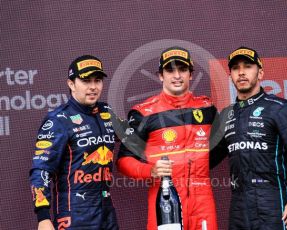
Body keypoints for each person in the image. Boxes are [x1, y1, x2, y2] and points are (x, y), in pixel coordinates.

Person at [210, 47, 287, 230]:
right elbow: (204, 160)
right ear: (230, 76)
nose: (241, 72)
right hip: (238, 207)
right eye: (235, 68)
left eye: (248, 66)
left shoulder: (278, 108)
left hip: (272, 203)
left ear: (260, 73)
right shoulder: (226, 116)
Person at [117, 46, 218, 230]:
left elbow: (219, 149)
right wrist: (151, 171)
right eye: (170, 70)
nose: (177, 75)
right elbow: (123, 161)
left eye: (182, 69)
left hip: (203, 201)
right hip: (164, 199)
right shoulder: (144, 113)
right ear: (161, 75)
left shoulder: (207, 108)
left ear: (191, 74)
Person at [29, 55, 121, 230]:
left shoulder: (106, 112)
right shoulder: (58, 120)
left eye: (98, 80)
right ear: (71, 84)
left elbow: (134, 138)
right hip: (74, 213)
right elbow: (41, 169)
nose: (93, 87)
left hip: (106, 209)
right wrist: (43, 216)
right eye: (86, 81)